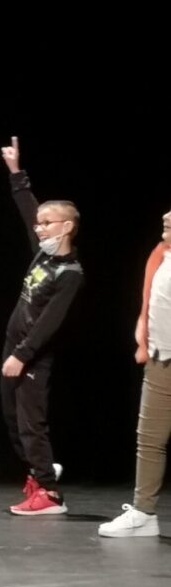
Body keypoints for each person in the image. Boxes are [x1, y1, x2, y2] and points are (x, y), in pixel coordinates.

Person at [0, 137, 83, 516]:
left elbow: (50, 323)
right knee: (12, 418)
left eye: (48, 224)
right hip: (14, 347)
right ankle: (38, 470)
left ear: (67, 227)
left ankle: (49, 493)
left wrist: (22, 355)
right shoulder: (42, 256)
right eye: (40, 224)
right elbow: (27, 208)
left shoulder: (70, 273)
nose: (41, 228)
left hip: (32, 355)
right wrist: (16, 172)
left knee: (31, 422)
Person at [98, 206, 171, 539]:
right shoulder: (161, 255)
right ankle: (143, 513)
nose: (166, 216)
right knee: (150, 438)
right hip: (161, 356)